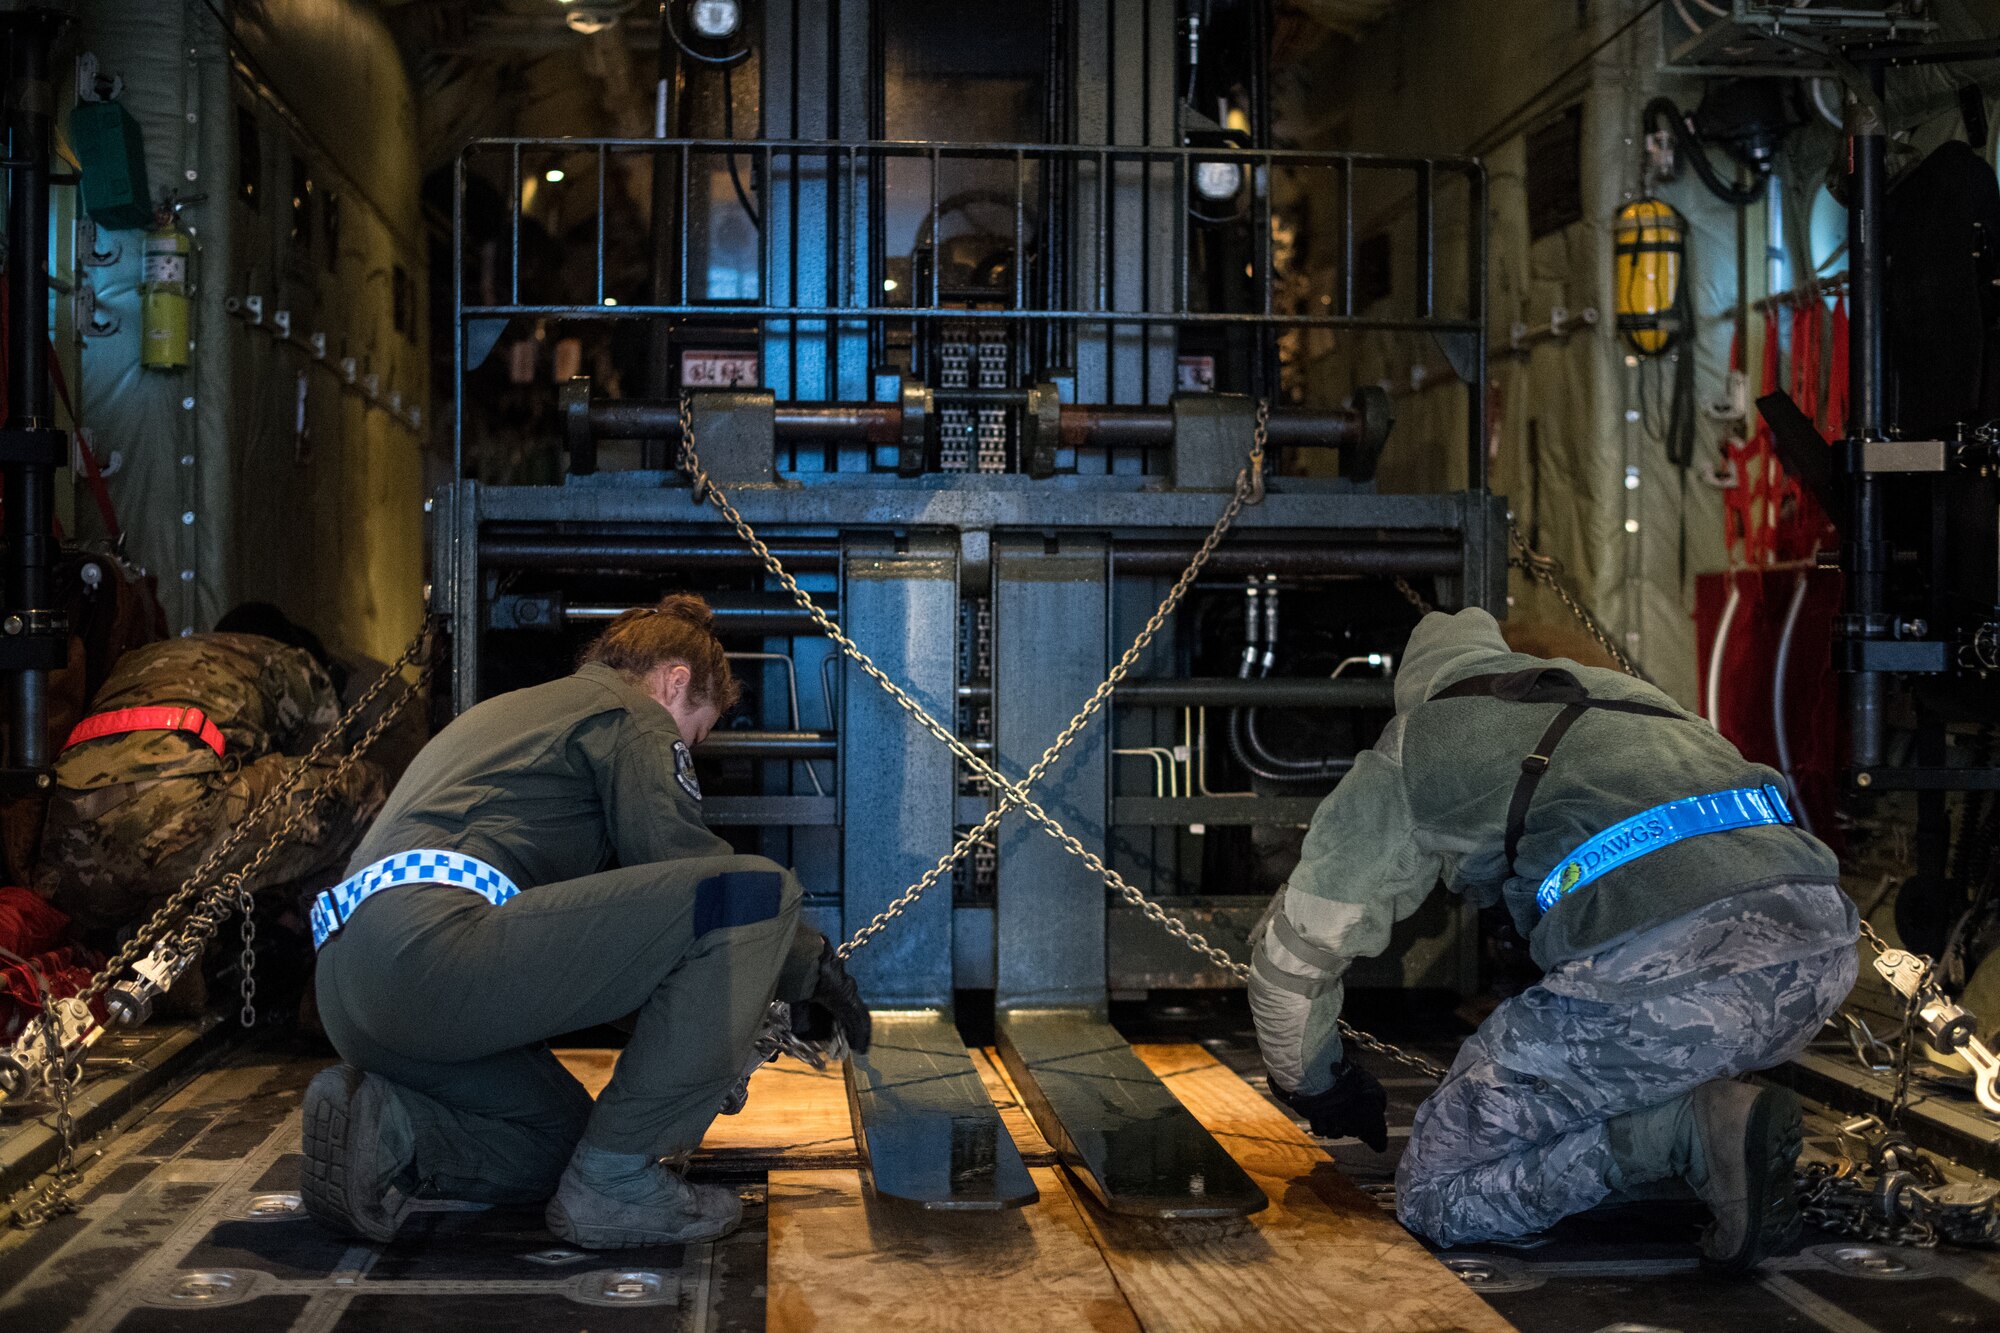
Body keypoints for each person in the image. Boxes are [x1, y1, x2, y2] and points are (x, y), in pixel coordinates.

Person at [1247, 607, 1857, 1271]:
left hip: (1670, 973)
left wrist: (1315, 1082)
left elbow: (1295, 958)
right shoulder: (1626, 694)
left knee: (1435, 1193)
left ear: (1414, 684)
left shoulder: (1414, 742)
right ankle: (1711, 1145)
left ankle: (1685, 1135)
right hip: (1820, 953)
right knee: (1620, 1066)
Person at [301, 593, 870, 1250]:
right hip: (432, 951)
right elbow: (688, 865)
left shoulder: (518, 717)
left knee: (566, 1146)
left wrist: (718, 1022)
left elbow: (604, 951)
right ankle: (616, 1186)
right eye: (695, 733)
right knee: (757, 895)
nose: (687, 749)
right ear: (674, 680)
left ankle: (389, 1132)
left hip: (350, 984)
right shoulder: (629, 714)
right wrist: (804, 961)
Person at [36, 605, 386, 939]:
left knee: (177, 862)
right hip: (177, 821)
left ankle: (181, 990)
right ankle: (325, 953)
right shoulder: (297, 665)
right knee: (364, 788)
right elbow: (320, 764)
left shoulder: (151, 658)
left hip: (67, 850)